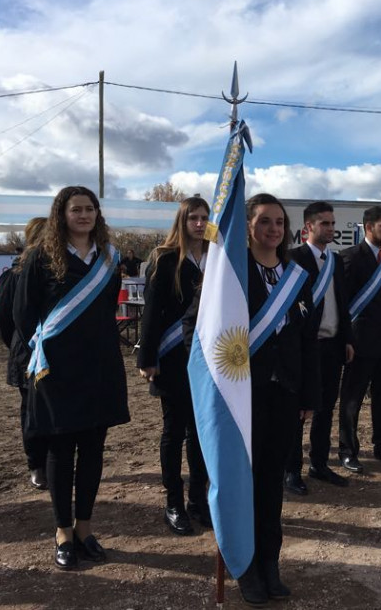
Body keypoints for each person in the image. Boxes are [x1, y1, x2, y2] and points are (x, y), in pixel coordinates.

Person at [186, 193, 318, 604]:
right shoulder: (230, 272)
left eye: (279, 222)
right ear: (248, 226)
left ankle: (269, 563)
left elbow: (306, 341)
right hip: (239, 396)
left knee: (270, 485)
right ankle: (244, 567)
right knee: (240, 483)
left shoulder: (297, 274)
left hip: (283, 395)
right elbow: (199, 325)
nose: (273, 229)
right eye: (264, 222)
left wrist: (307, 393)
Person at [13, 186, 131, 571]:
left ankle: (85, 528)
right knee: (61, 453)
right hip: (57, 371)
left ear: (98, 214)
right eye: (75, 209)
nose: (83, 215)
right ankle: (62, 531)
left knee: (94, 451)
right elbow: (23, 315)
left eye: (89, 209)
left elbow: (106, 306)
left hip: (99, 368)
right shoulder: (40, 257)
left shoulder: (109, 258)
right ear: (60, 215)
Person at [137, 197, 211, 535]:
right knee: (174, 432)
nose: (199, 223)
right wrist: (147, 356)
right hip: (172, 358)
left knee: (201, 434)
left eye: (204, 217)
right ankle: (173, 503)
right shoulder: (165, 258)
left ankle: (199, 499)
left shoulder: (217, 257)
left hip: (208, 360)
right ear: (182, 221)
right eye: (193, 217)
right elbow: (151, 312)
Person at [284, 201, 354, 494]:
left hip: (333, 346)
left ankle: (319, 463)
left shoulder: (336, 261)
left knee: (325, 409)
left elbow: (342, 301)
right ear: (308, 227)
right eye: (325, 223)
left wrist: (347, 338)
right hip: (304, 349)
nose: (331, 229)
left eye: (333, 223)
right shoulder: (292, 258)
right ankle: (291, 471)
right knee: (299, 411)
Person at [338, 206, 381, 472]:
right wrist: (346, 339)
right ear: (368, 228)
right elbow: (343, 304)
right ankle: (347, 449)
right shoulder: (351, 257)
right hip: (360, 341)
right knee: (352, 398)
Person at [0, 216, 49, 490]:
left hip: (54, 352)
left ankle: (51, 463)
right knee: (31, 411)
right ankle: (36, 465)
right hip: (28, 353)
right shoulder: (15, 275)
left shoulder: (58, 271)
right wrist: (22, 346)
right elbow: (5, 319)